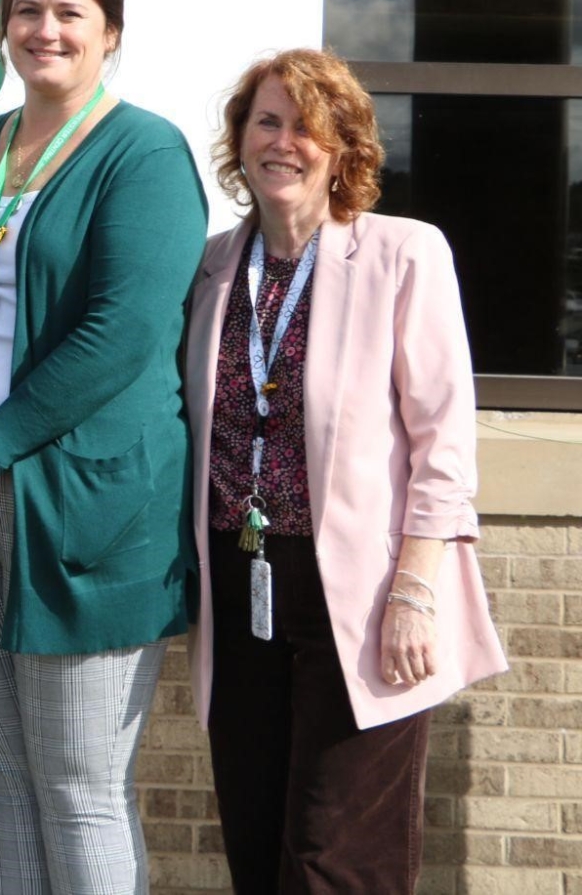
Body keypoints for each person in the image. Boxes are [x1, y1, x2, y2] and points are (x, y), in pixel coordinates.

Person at [0, 0, 206, 894]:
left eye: (70, 12)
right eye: (28, 9)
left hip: (87, 510)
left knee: (81, 789)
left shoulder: (144, 153)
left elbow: (122, 333)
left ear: (110, 31)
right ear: (3, 26)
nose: (47, 29)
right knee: (6, 782)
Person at [186, 48, 507, 893]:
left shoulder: (404, 253)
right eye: (266, 121)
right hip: (242, 583)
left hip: (364, 597)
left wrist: (415, 592)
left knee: (338, 859)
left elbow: (444, 443)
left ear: (343, 148)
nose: (282, 142)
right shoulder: (214, 267)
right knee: (257, 843)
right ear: (240, 139)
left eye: (307, 126)